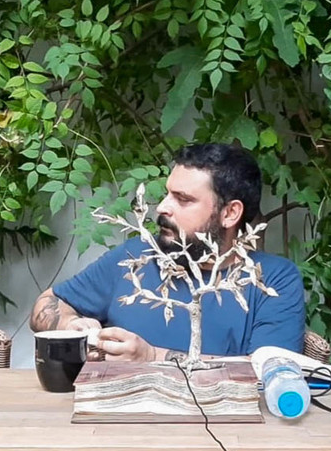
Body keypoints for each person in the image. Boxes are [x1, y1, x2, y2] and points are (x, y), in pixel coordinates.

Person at [30, 143, 306, 361]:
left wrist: (152, 357)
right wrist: (70, 324)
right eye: (168, 194)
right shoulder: (135, 257)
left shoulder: (272, 280)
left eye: (183, 199)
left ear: (230, 213)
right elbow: (46, 304)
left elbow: (269, 371)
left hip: (219, 416)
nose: (162, 207)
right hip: (116, 413)